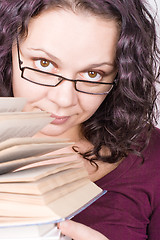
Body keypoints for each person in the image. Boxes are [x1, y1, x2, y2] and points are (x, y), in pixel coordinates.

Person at [0, 0, 160, 239]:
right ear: (7, 49)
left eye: (93, 74)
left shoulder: (154, 157)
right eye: (44, 64)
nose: (64, 99)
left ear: (121, 74)